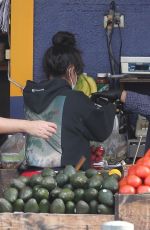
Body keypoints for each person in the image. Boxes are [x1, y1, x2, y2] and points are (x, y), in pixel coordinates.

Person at [23, 31, 116, 169]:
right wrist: (109, 105)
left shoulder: (31, 94)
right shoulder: (75, 98)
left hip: (33, 173)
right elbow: (100, 132)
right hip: (68, 178)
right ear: (71, 70)